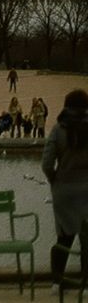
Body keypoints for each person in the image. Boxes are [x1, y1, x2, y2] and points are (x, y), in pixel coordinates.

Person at [42, 89, 88, 287]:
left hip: (63, 189)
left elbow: (46, 164)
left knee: (64, 237)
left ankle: (57, 281)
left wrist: (55, 180)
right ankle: (87, 283)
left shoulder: (57, 129)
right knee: (87, 239)